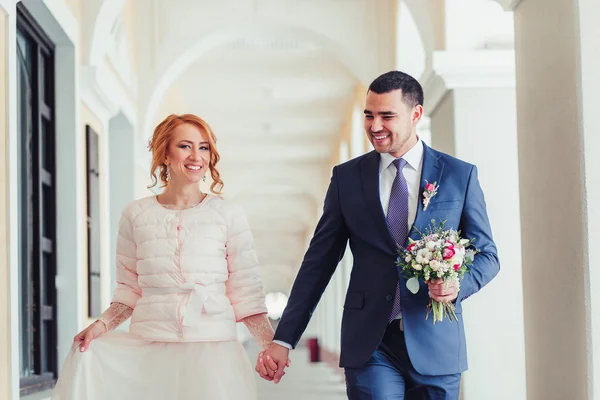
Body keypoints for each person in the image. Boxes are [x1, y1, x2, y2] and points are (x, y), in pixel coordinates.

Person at [256, 71, 500, 399]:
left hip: (436, 341)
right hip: (371, 344)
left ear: (416, 114)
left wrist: (458, 285)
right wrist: (284, 339)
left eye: (387, 115)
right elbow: (318, 262)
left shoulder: (458, 175)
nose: (375, 126)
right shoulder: (347, 179)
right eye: (368, 115)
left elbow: (487, 255)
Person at [52, 113, 284, 400]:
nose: (196, 156)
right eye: (185, 146)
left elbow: (245, 289)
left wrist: (268, 345)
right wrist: (100, 325)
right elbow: (129, 290)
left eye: (204, 147)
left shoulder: (228, 213)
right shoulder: (135, 214)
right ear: (164, 153)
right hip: (151, 346)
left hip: (214, 350)